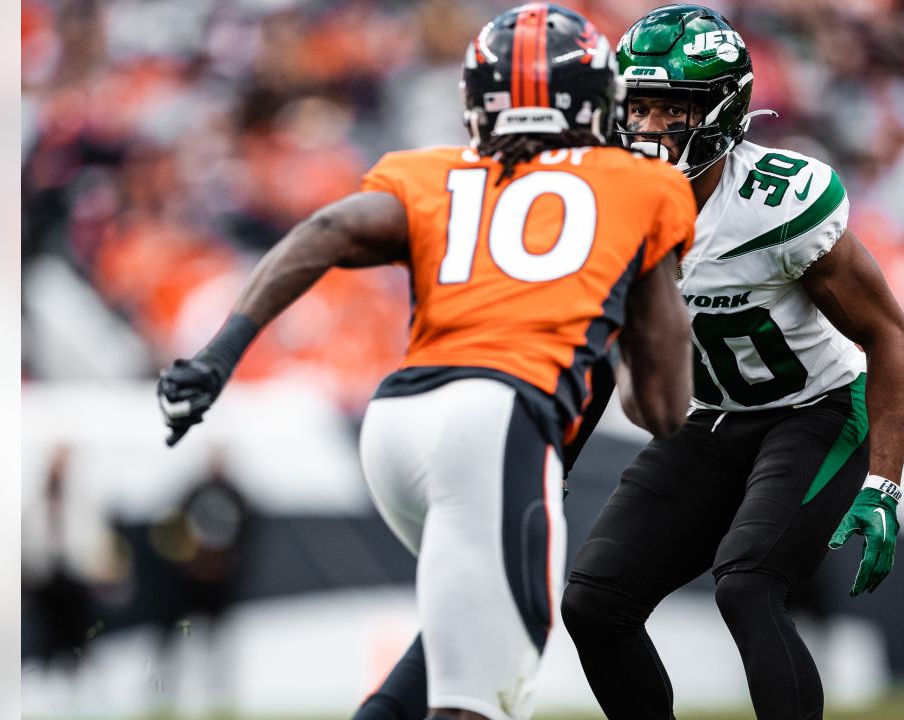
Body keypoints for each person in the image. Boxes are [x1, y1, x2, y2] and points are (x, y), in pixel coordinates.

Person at [156, 5, 698, 719]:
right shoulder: (644, 184)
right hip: (496, 423)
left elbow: (327, 230)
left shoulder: (431, 172)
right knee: (480, 696)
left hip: (397, 426)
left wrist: (220, 356)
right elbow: (661, 409)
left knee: (458, 642)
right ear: (595, 99)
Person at [556, 5, 904, 720]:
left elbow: (888, 337)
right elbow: (599, 347)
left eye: (674, 109)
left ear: (723, 110)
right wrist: (553, 461)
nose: (652, 128)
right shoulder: (611, 204)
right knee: (595, 602)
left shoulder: (777, 202)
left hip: (816, 411)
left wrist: (884, 483)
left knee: (748, 584)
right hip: (713, 417)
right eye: (642, 107)